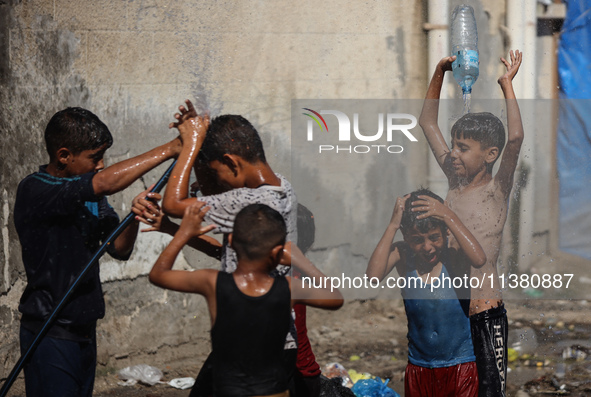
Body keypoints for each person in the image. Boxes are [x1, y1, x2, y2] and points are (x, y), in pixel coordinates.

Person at [14, 107, 181, 397]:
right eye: (94, 157)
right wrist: (173, 148)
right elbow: (104, 182)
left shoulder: (93, 200)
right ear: (64, 156)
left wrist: (135, 212)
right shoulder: (36, 189)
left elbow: (119, 248)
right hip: (50, 331)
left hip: (84, 328)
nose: (101, 165)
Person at [157, 100, 320, 395]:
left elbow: (172, 204)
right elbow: (222, 239)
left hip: (250, 345)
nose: (213, 180)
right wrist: (201, 150)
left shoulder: (246, 202)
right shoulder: (282, 187)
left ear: (232, 162)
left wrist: (191, 144)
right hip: (271, 340)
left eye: (217, 171)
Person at [149, 203, 343, 397]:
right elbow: (335, 297)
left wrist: (180, 231)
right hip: (281, 372)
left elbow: (161, 273)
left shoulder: (215, 281)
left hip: (269, 373)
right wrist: (298, 258)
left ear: (231, 242)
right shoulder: (290, 284)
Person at [418, 50, 523, 396]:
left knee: (491, 391)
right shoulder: (454, 180)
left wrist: (506, 85)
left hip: (484, 312)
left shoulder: (497, 188)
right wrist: (438, 73)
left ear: (490, 155)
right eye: (454, 146)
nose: (453, 154)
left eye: (463, 148)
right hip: (451, 309)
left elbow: (516, 139)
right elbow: (427, 123)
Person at [366, 188, 486, 397]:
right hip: (420, 367)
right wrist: (393, 224)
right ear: (406, 237)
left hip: (460, 365)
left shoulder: (454, 257)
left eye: (434, 237)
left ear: (445, 231)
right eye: (417, 240)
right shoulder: (404, 257)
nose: (427, 247)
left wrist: (448, 215)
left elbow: (479, 259)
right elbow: (373, 276)